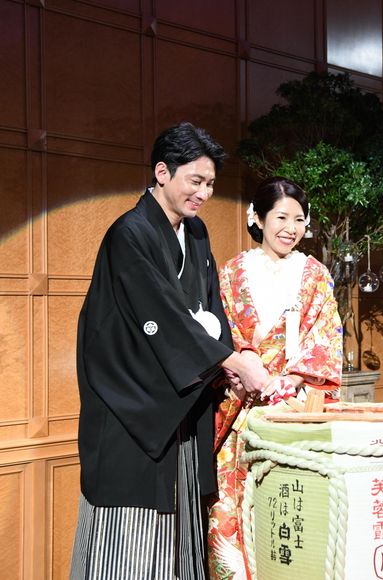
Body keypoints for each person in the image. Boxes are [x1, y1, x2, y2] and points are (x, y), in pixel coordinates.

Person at [70, 122, 269, 580]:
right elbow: (161, 314)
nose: (204, 193)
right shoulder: (129, 233)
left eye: (210, 184)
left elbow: (210, 308)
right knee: (130, 541)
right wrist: (229, 361)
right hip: (131, 404)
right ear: (162, 172)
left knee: (180, 533)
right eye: (195, 180)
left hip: (180, 400)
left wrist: (224, 362)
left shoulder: (195, 233)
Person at [207, 177, 343, 579]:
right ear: (259, 218)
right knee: (229, 509)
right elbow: (218, 330)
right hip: (239, 409)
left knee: (292, 511)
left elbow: (325, 336)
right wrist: (240, 367)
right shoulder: (232, 272)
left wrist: (294, 379)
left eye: (299, 219)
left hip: (291, 409)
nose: (290, 228)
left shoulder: (315, 274)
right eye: (281, 217)